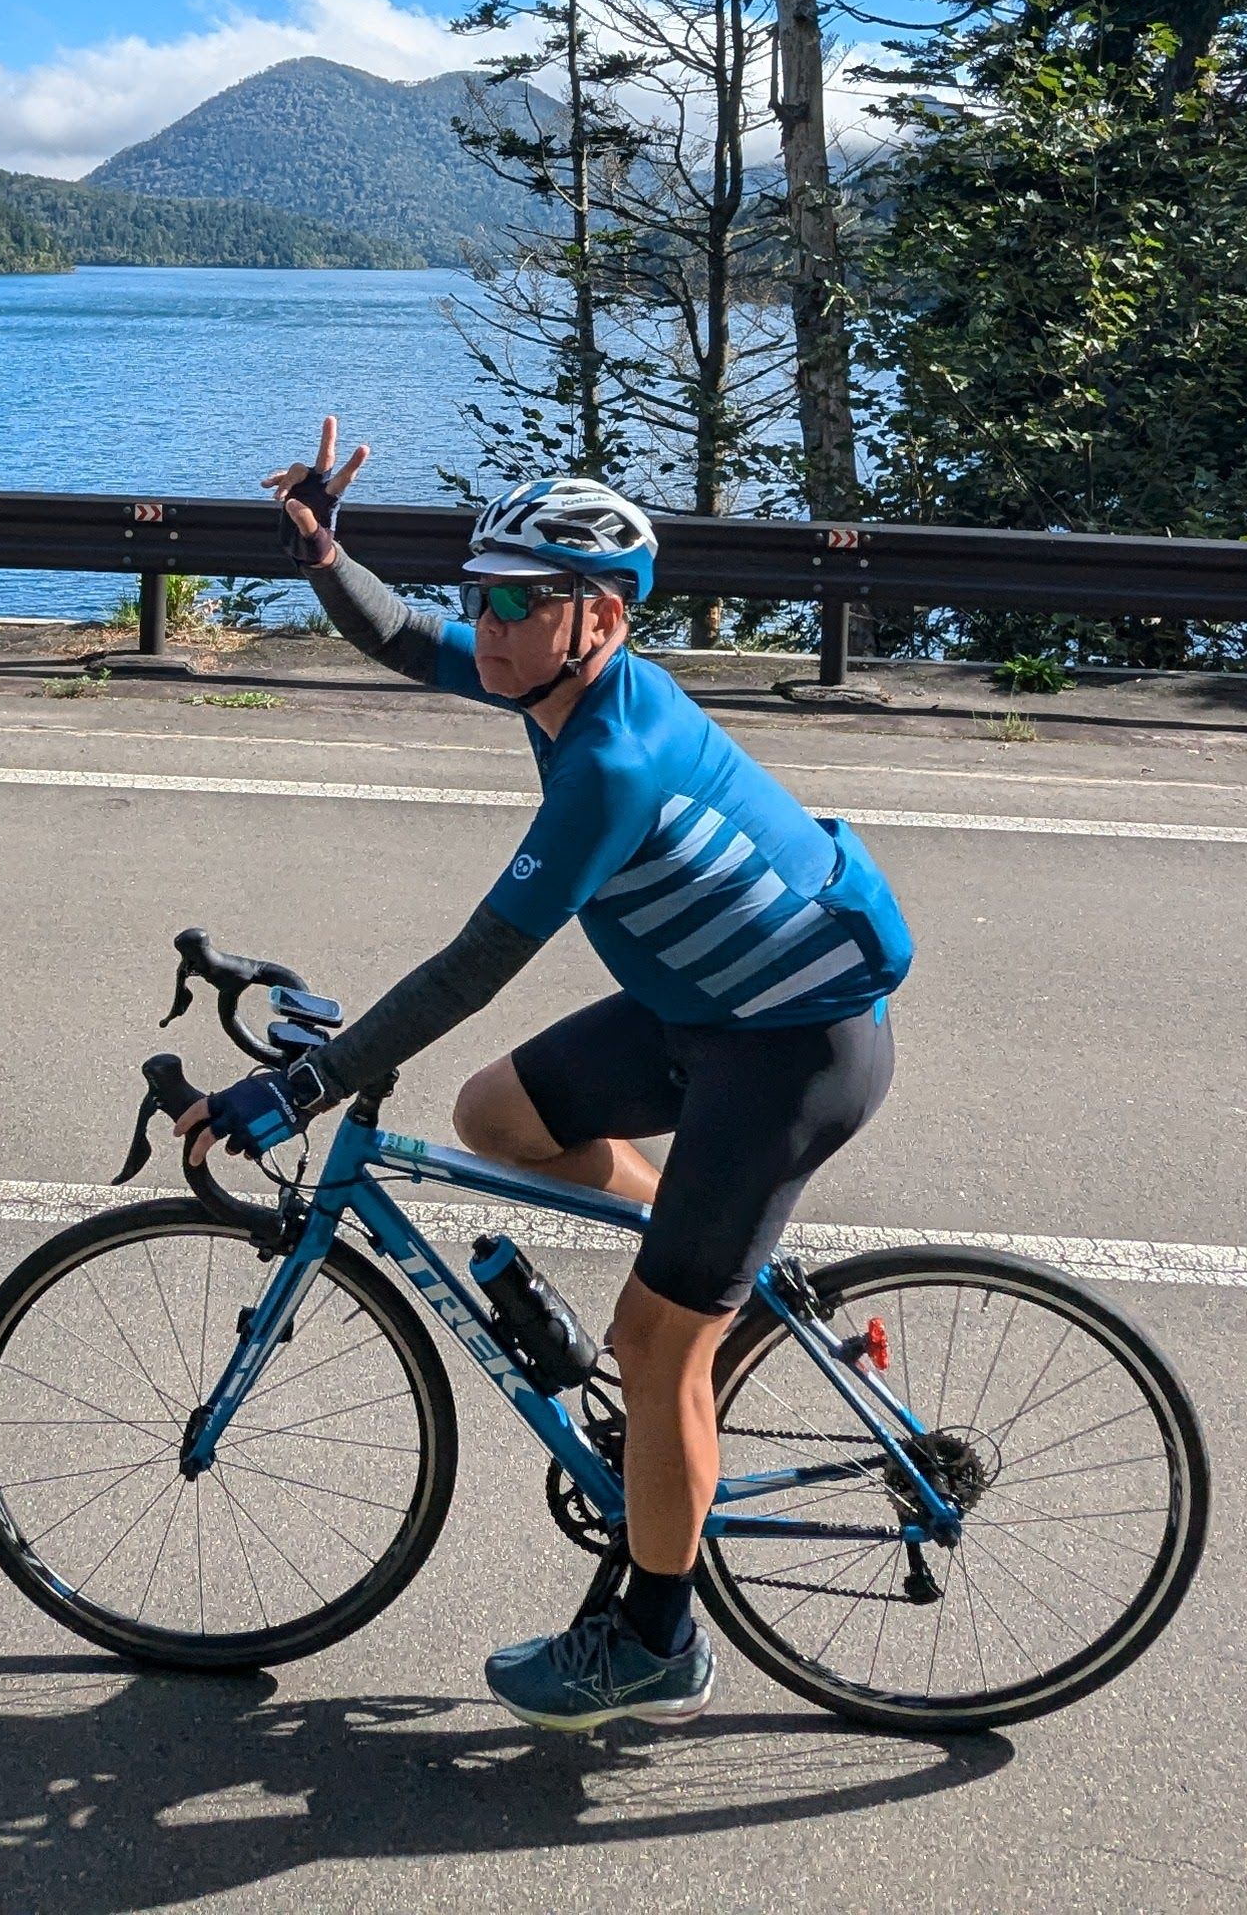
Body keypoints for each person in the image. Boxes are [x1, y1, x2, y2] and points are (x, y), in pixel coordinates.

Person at [179, 416, 911, 1733]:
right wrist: (322, 549)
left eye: (518, 603)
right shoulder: (551, 682)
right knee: (494, 1113)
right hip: (704, 1013)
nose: (491, 624)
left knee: (646, 1344)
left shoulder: (609, 758)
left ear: (604, 617)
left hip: (792, 1046)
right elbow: (406, 639)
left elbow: (475, 966)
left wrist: (305, 1089)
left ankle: (655, 1643)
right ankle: (711, 1277)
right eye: (484, 596)